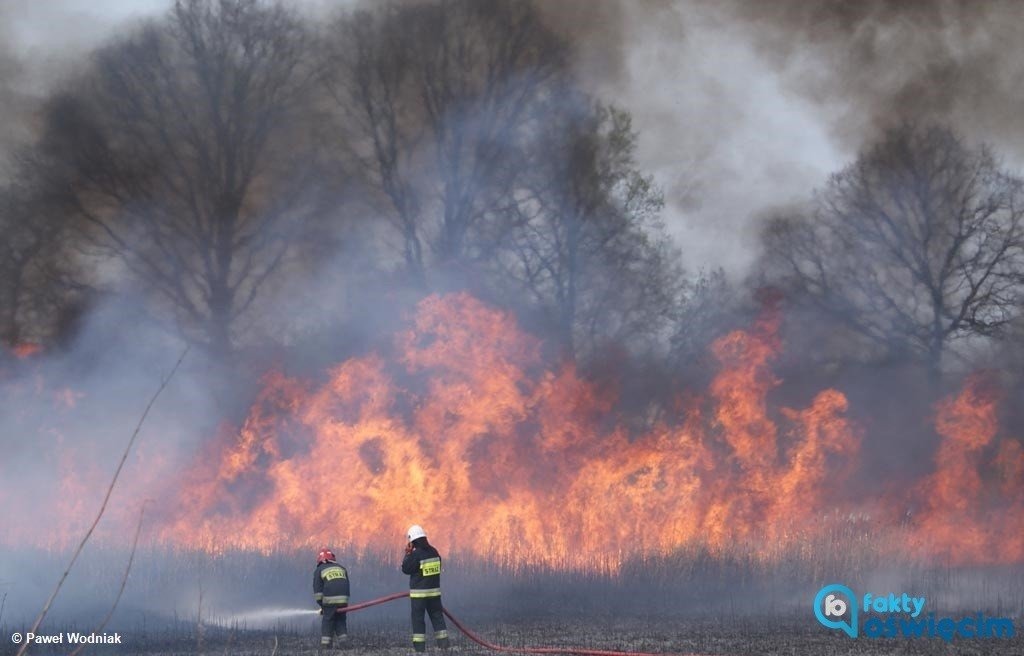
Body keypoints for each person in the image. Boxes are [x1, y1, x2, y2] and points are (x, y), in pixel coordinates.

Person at [401, 525, 449, 652]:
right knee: (438, 618)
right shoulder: (434, 552)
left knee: (418, 620)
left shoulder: (415, 554)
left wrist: (408, 554)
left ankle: (420, 648)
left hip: (419, 596)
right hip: (434, 594)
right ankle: (444, 645)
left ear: (412, 541)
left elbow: (406, 569)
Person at [313, 547, 350, 650]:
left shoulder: (319, 570)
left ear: (320, 560)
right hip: (343, 600)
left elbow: (318, 592)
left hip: (329, 601)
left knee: (328, 620)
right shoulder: (342, 568)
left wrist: (322, 605)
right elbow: (346, 584)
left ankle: (326, 645)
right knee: (340, 620)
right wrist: (345, 600)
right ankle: (344, 643)